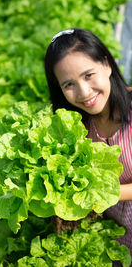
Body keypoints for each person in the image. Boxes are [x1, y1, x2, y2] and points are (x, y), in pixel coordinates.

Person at [44, 28, 132, 262]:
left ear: (106, 64)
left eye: (88, 75)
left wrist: (100, 195)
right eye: (69, 84)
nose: (84, 93)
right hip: (114, 237)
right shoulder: (72, 127)